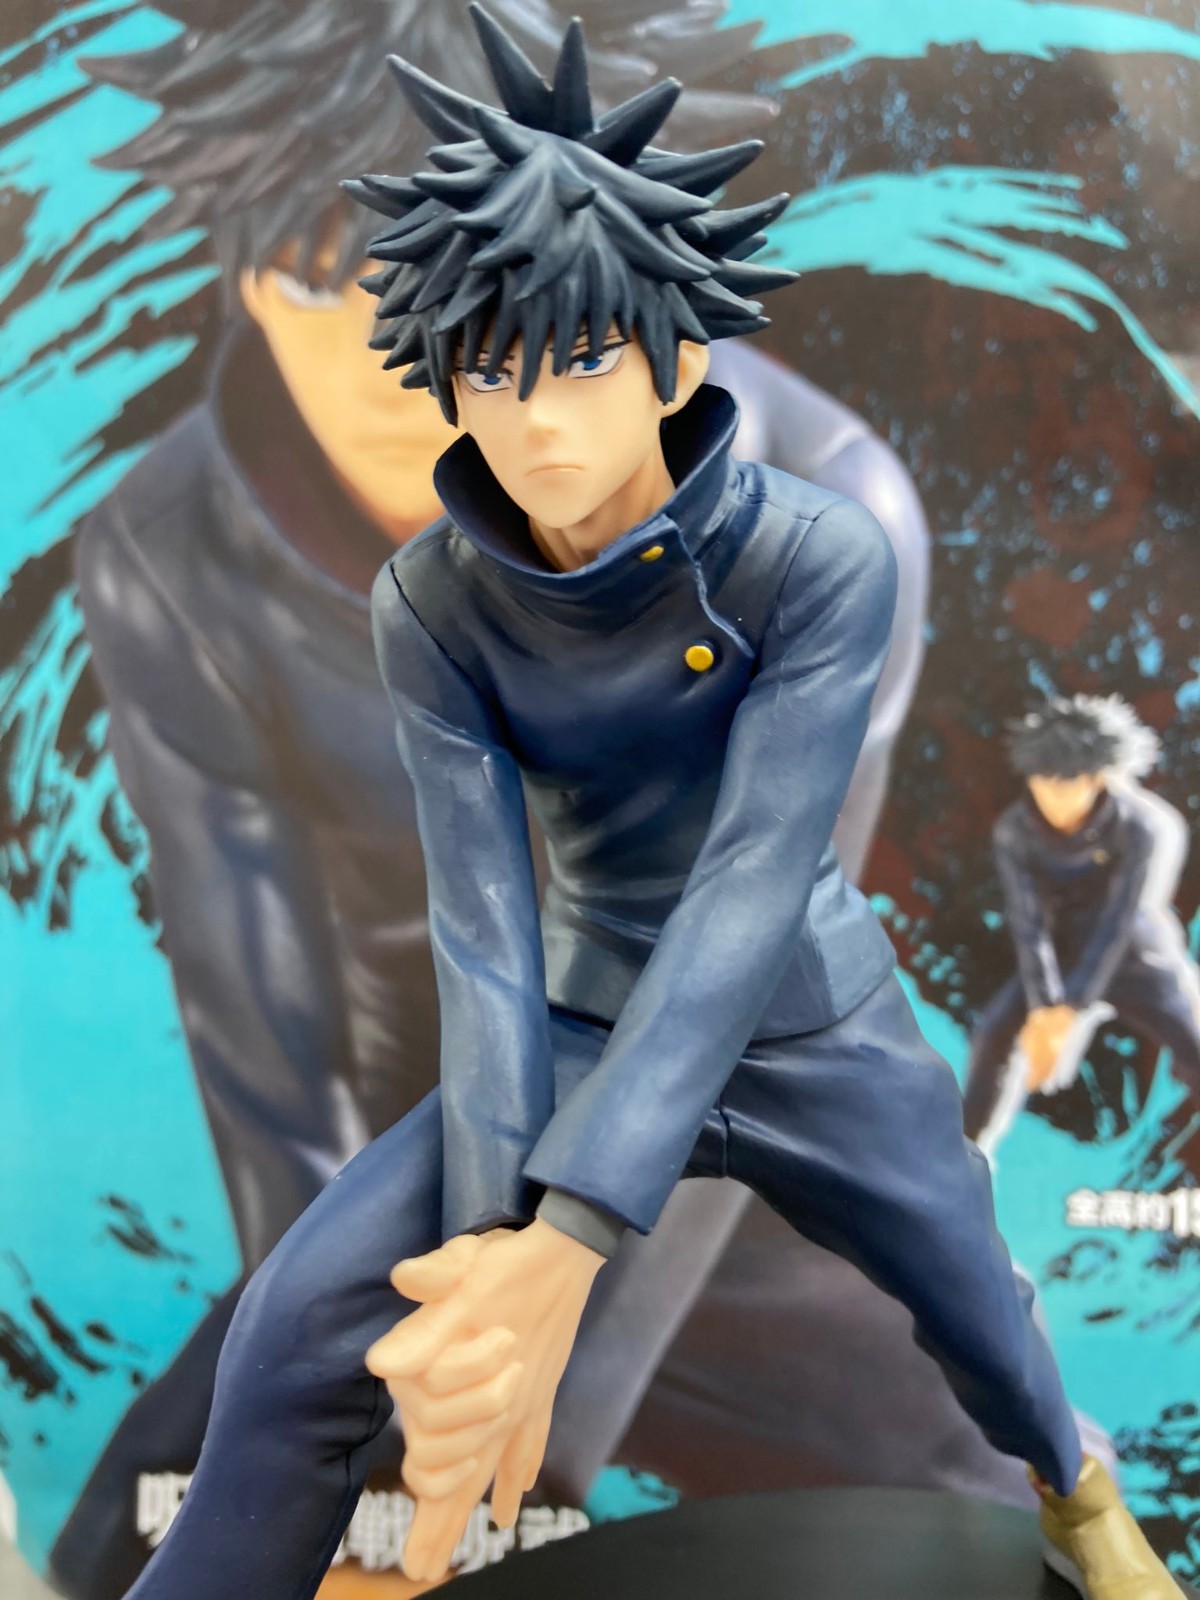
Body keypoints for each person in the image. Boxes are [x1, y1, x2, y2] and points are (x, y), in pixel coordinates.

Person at [117, 12, 1184, 1597]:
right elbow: (483, 935)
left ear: (673, 357)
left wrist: (553, 1288)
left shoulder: (824, 541)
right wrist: (473, 1275)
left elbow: (746, 901)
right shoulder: (415, 596)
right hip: (551, 1045)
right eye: (486, 369)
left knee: (983, 1329)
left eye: (576, 362)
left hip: (802, 1034)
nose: (534, 420)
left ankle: (1083, 1499)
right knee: (284, 1336)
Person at [964, 693, 1200, 1154]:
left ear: (1097, 778)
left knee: (1194, 1040)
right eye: (1043, 782)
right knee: (993, 1034)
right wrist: (1045, 1005)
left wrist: (1068, 1010)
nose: (1053, 796)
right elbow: (1029, 922)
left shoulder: (1144, 826)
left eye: (1067, 783)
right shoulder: (1014, 830)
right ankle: (964, 1154)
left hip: (1137, 954)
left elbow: (1119, 920)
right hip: (1060, 950)